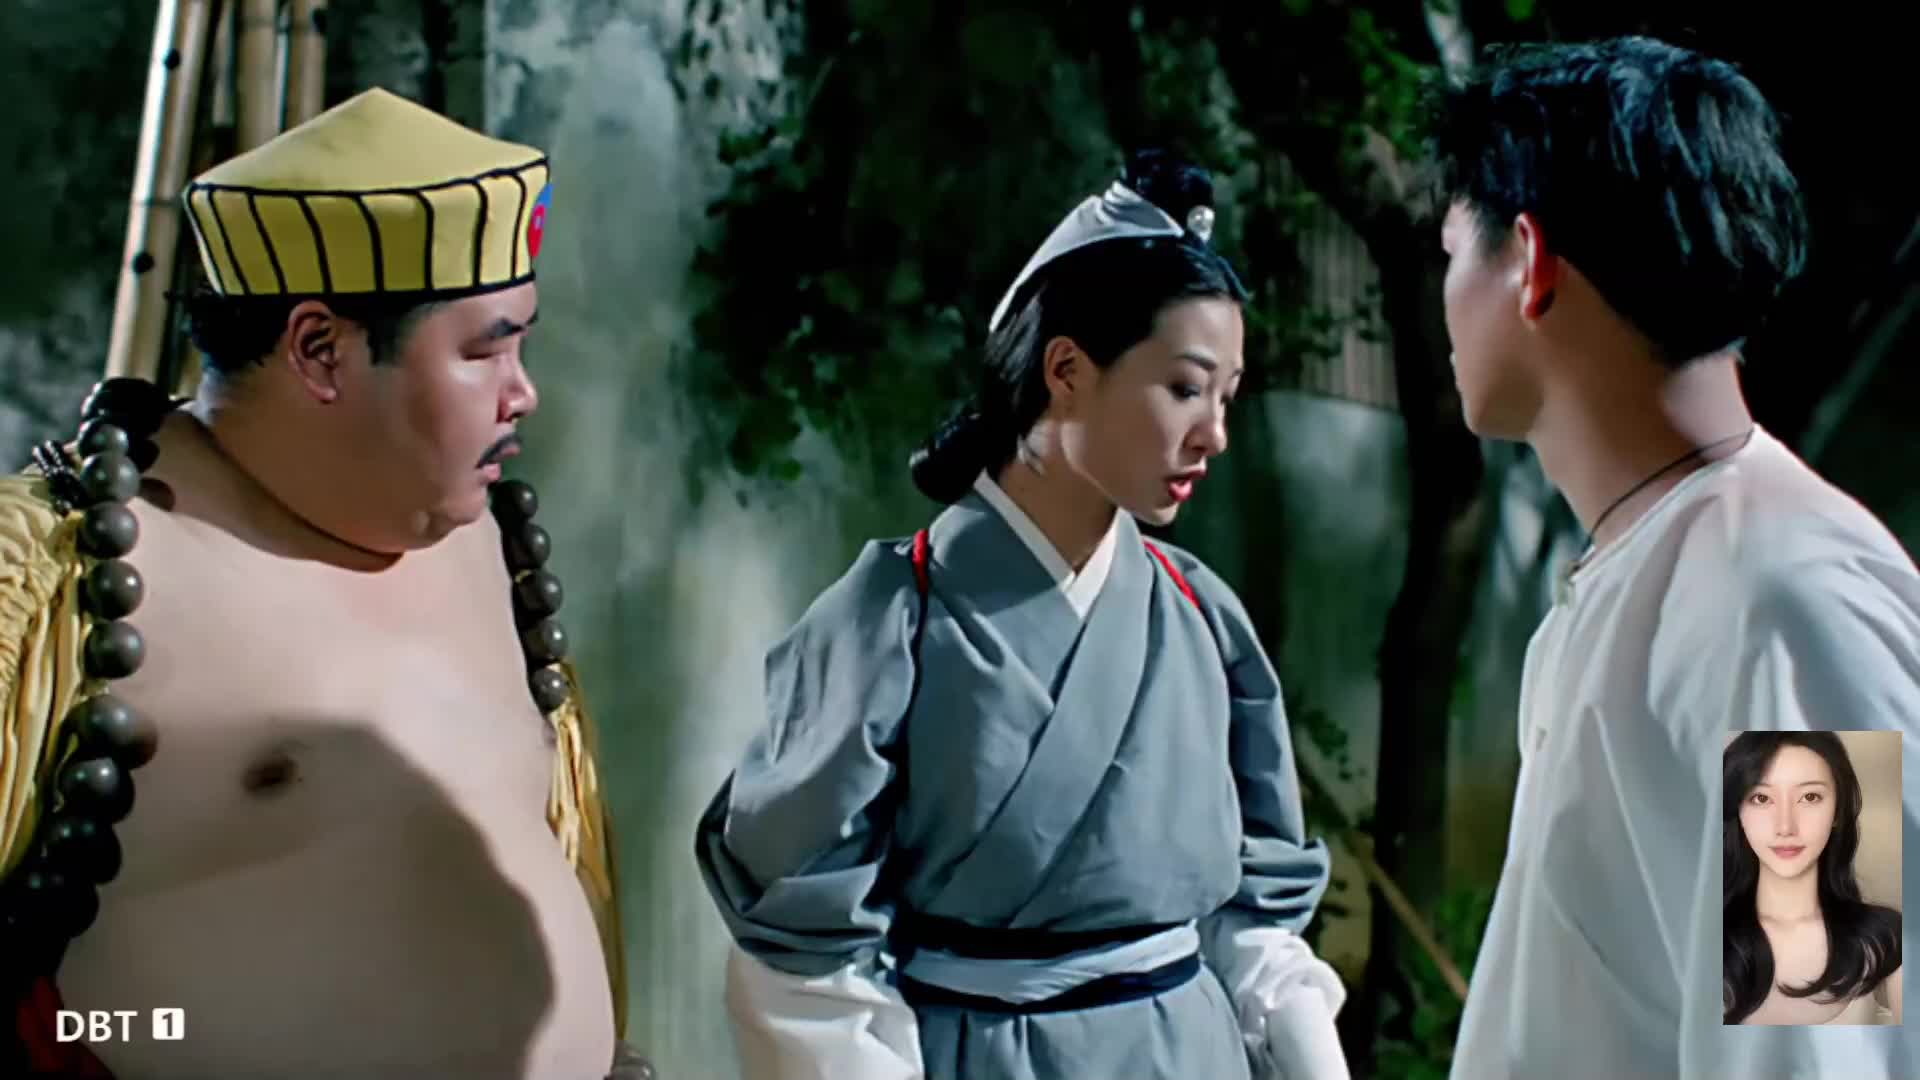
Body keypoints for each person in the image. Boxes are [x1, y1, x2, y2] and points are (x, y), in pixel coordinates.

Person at [0, 88, 652, 1078]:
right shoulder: (63, 575)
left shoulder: (494, 543)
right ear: (319, 351)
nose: (525, 392)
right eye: (486, 350)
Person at [694, 151, 1350, 1080]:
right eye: (1184, 388)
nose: (1214, 433)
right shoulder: (891, 621)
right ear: (1067, 370)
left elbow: (1253, 919)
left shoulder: (1201, 613)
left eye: (1226, 397)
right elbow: (806, 965)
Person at [1427, 35, 1920, 1079]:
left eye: (1451, 254)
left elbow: (1821, 1046)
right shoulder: (1650, 566)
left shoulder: (1783, 600)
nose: (1444, 300)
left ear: (1530, 261)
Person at [1723, 732, 1902, 1026]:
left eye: (1809, 797)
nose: (1785, 827)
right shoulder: (1697, 941)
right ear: (1738, 812)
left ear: (1837, 811)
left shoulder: (1889, 938)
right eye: (1761, 798)